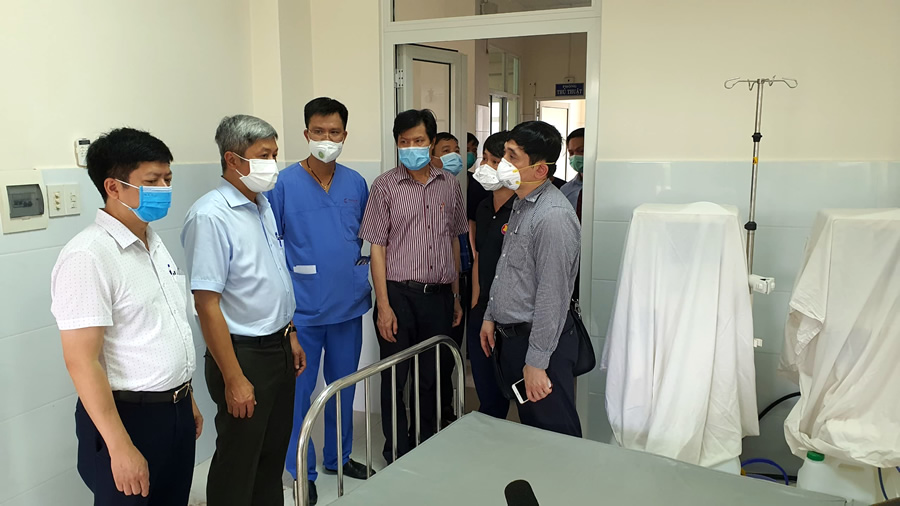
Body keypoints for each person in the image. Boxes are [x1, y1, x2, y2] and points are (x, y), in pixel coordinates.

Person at [51, 127, 202, 505]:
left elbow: (162, 329)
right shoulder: (88, 255)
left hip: (174, 411)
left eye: (168, 178)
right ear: (113, 187)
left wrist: (186, 397)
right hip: (127, 420)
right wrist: (119, 447)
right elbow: (81, 361)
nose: (164, 188)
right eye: (151, 181)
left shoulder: (153, 243)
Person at [181, 115, 306, 506]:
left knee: (271, 455)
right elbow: (206, 303)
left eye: (274, 154)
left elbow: (271, 279)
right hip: (243, 355)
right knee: (239, 461)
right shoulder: (211, 215)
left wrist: (290, 333)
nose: (272, 163)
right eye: (263, 155)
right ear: (233, 160)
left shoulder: (261, 204)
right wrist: (234, 378)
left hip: (278, 347)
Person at [267, 97, 373, 505]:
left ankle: (338, 458)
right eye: (318, 131)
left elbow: (364, 239)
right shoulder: (282, 184)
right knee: (299, 396)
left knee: (343, 388)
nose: (326, 138)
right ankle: (301, 471)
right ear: (306, 133)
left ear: (344, 135)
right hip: (303, 312)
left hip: (348, 306)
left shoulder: (355, 183)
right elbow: (273, 247)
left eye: (334, 132)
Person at [358, 109, 467, 463]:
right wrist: (384, 306)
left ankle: (426, 442)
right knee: (395, 377)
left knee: (432, 375)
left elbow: (454, 240)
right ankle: (396, 450)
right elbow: (377, 248)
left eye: (418, 141)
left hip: (438, 297)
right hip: (398, 295)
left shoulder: (449, 184)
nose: (411, 148)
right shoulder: (385, 186)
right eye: (404, 142)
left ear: (431, 142)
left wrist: (455, 296)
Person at [480, 121, 582, 437]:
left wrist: (537, 362)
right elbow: (508, 269)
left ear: (539, 170)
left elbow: (553, 296)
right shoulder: (522, 204)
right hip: (515, 339)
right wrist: (490, 316)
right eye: (504, 154)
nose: (503, 163)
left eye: (513, 157)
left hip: (541, 345)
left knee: (554, 435)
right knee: (534, 433)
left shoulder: (553, 217)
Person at [467, 130, 514, 420]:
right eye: (484, 159)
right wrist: (476, 304)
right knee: (487, 393)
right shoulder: (483, 207)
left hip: (510, 315)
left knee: (512, 387)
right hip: (482, 310)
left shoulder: (522, 208)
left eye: (494, 161)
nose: (486, 166)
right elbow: (479, 258)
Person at [431, 132, 471, 424]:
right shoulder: (401, 188)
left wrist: (458, 294)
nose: (455, 156)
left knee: (449, 353)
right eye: (446, 150)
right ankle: (432, 415)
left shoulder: (456, 186)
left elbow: (459, 240)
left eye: (457, 150)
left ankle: (446, 410)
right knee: (430, 359)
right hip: (427, 287)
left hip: (457, 282)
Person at [560, 128, 585, 210]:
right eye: (571, 152)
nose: (575, 156)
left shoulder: (610, 187)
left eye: (581, 151)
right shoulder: (565, 190)